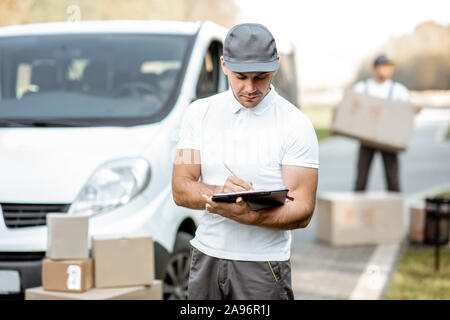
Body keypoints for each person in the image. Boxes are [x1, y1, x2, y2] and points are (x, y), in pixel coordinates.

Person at [172, 23, 319, 300]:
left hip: (263, 265)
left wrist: (252, 216)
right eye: (241, 77)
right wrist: (220, 195)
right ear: (224, 65)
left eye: (261, 77)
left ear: (275, 66)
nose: (250, 88)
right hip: (206, 258)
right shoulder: (197, 114)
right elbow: (181, 187)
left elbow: (303, 209)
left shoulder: (295, 124)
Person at [352, 54, 421, 192]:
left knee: (393, 179)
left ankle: (394, 207)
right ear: (375, 68)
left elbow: (413, 107)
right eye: (383, 67)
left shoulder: (398, 89)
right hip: (367, 137)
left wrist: (415, 107)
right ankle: (357, 207)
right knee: (361, 179)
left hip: (389, 139)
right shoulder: (362, 87)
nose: (386, 70)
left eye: (389, 67)